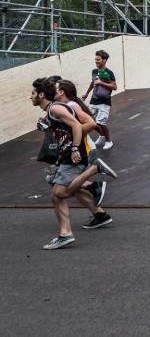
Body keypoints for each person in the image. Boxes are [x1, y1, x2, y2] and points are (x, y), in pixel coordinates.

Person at [33, 77, 111, 249]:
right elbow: (64, 130)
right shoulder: (54, 109)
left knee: (59, 193)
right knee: (56, 189)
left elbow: (80, 125)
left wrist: (75, 148)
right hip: (67, 154)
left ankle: (94, 174)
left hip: (77, 153)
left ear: (41, 94)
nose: (30, 97)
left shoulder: (61, 107)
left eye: (32, 93)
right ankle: (96, 215)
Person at [82, 49, 117, 150]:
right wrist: (86, 93)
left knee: (101, 122)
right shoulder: (95, 71)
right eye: (95, 59)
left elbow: (114, 87)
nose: (96, 61)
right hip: (94, 100)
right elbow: (93, 82)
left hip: (104, 102)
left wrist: (101, 83)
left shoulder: (109, 73)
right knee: (89, 119)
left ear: (104, 60)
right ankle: (102, 136)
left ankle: (109, 141)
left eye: (98, 59)